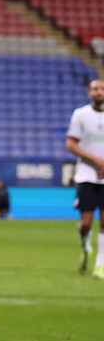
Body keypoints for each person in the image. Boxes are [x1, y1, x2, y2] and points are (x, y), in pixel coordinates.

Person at [65, 78, 104, 277]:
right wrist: (96, 160)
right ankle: (85, 246)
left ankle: (101, 264)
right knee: (86, 223)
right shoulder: (81, 115)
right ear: (89, 93)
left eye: (102, 89)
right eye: (95, 89)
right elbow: (70, 144)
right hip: (86, 176)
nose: (99, 92)